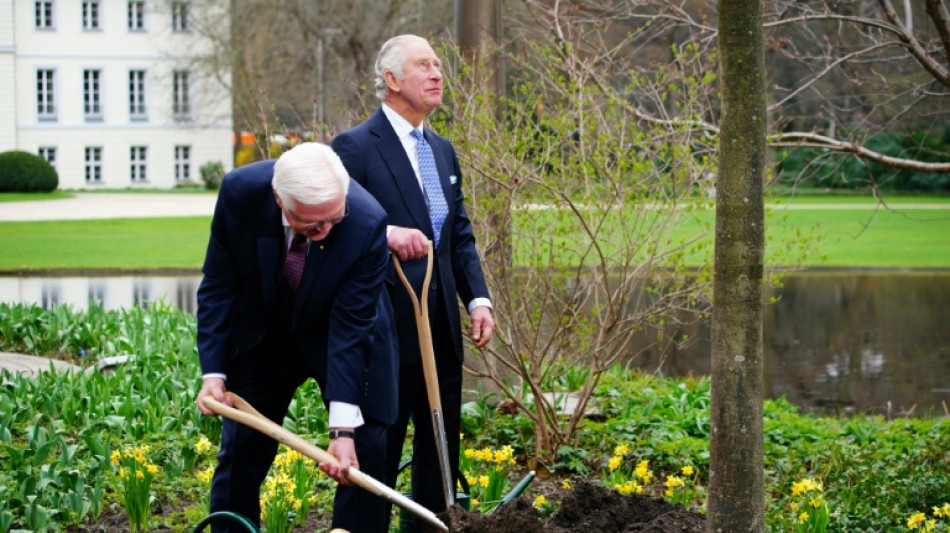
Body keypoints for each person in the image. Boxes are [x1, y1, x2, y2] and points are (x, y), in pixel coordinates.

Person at [331, 34, 495, 531]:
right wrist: (385, 234)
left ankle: (431, 527)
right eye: (424, 65)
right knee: (379, 443)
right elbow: (334, 225)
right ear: (392, 80)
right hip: (384, 329)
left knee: (440, 446)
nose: (437, 73)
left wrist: (479, 300)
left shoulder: (442, 152)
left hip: (440, 327)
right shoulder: (355, 148)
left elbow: (458, 236)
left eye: (439, 64)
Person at [194, 142, 398, 533]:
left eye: (333, 219)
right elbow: (219, 284)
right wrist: (214, 374)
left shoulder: (366, 221)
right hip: (266, 331)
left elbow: (351, 328)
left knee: (367, 445)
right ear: (278, 199)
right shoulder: (240, 193)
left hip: (342, 329)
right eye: (311, 225)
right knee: (241, 450)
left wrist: (342, 431)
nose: (325, 232)